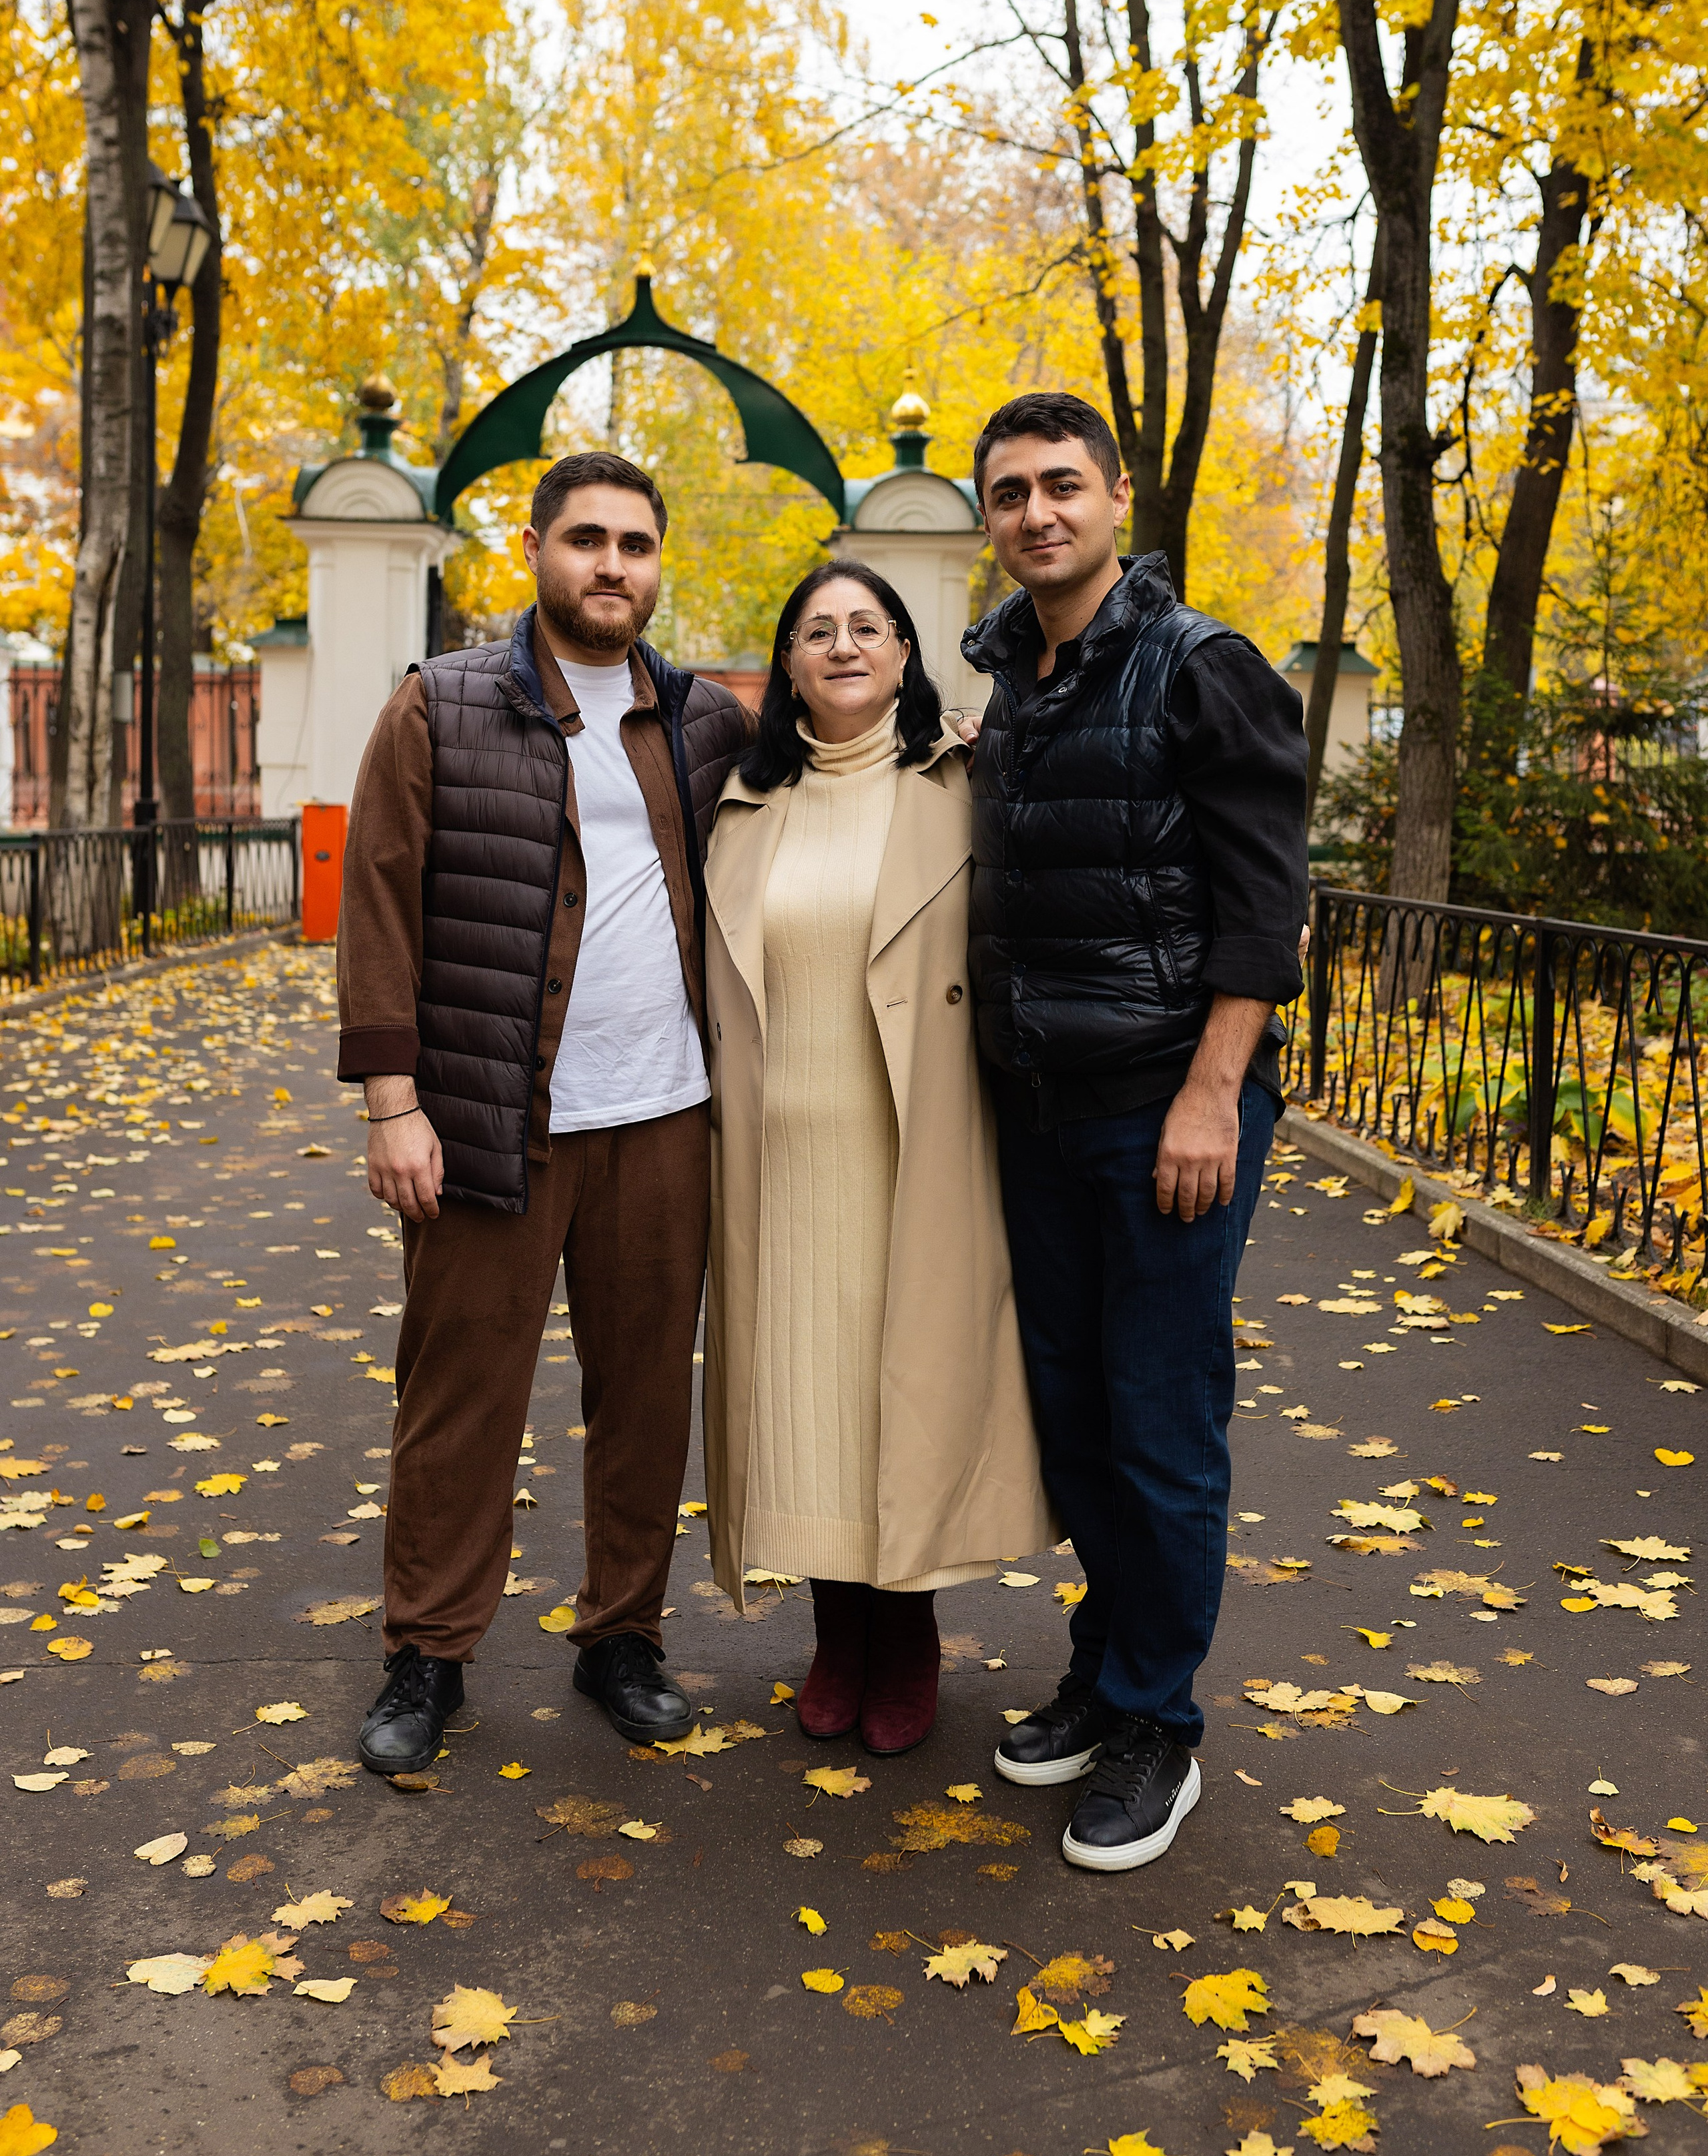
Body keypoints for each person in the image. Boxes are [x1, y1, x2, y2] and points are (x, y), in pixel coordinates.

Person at [336, 450, 753, 1774]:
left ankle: (621, 1636)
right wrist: (392, 1104)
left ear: (654, 561)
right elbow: (380, 901)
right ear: (534, 548)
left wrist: (947, 743)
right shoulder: (439, 707)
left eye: (634, 543)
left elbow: (834, 782)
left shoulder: (699, 721)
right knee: (460, 1398)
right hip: (483, 1120)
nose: (611, 566)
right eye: (586, 539)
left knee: (641, 1400)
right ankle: (428, 1652)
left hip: (664, 1120)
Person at [961, 392, 1308, 1871]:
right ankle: (1106, 1678)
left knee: (1160, 1426)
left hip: (1164, 1113)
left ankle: (1159, 1724)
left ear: (1114, 499)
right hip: (1035, 1117)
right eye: (1008, 495)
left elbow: (1261, 903)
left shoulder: (1196, 665)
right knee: (1079, 1419)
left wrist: (1209, 1092)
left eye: (1059, 487)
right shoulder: (1004, 680)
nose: (1034, 514)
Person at [701, 559, 1053, 1756]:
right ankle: (834, 1629)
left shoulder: (963, 783)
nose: (844, 645)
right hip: (778, 1158)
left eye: (869, 627)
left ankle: (907, 1631)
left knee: (900, 1386)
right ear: (787, 665)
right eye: (816, 630)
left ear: (906, 654)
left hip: (918, 1141)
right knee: (804, 1399)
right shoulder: (744, 806)